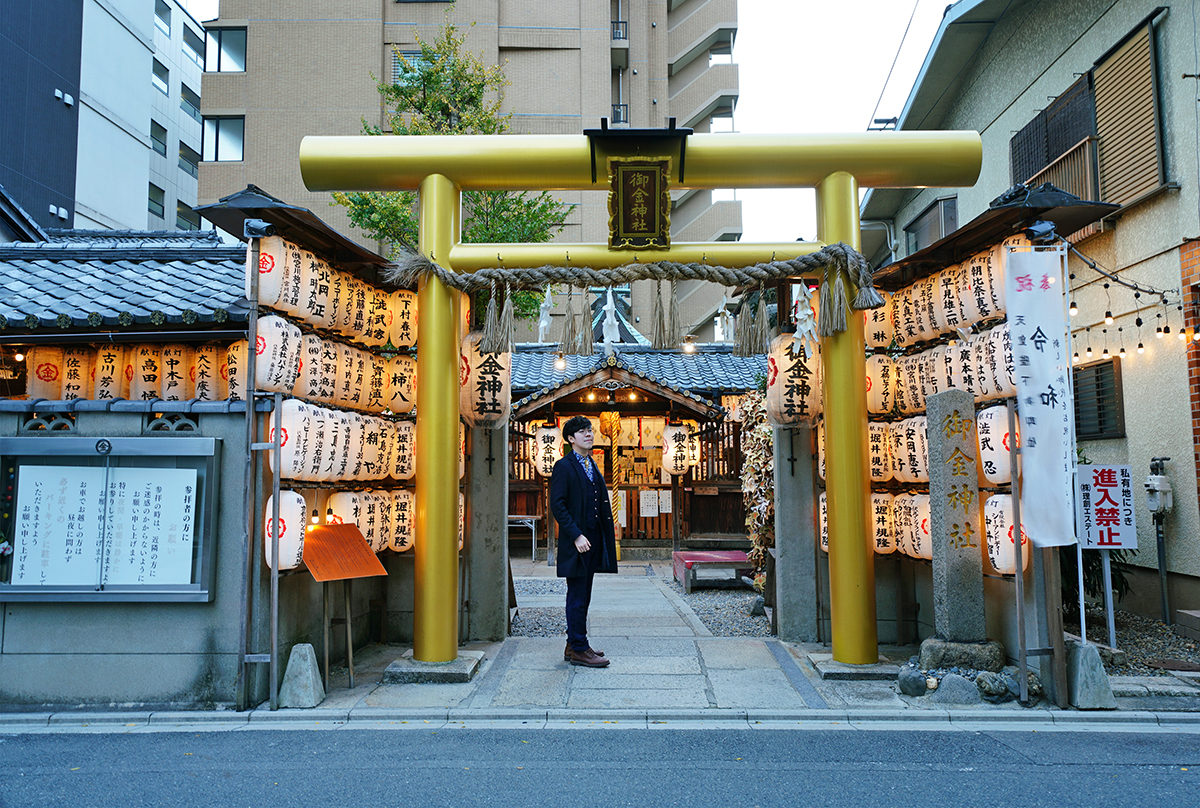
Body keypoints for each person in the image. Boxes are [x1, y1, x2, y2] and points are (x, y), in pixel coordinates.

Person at [550, 415, 618, 667]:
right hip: (576, 542)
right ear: (570, 438)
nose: (589, 434)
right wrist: (576, 534)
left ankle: (574, 643)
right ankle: (579, 648)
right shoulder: (563, 466)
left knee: (584, 593)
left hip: (592, 540)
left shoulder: (591, 463)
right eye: (582, 431)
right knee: (577, 595)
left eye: (590, 430)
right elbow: (558, 505)